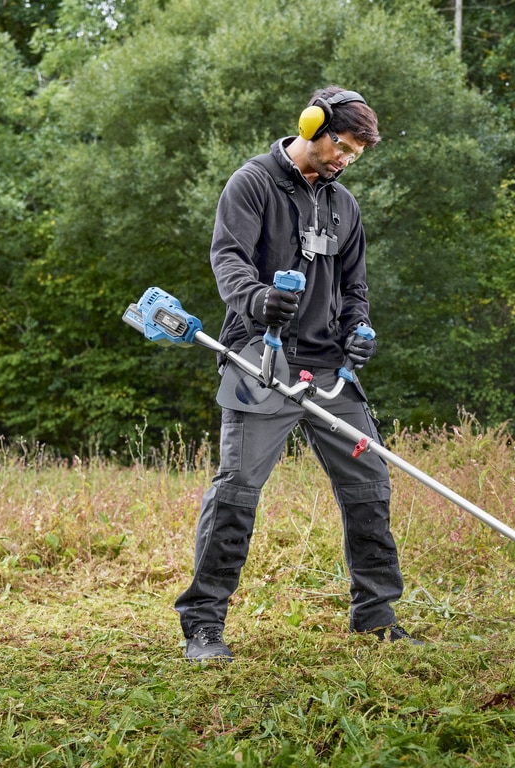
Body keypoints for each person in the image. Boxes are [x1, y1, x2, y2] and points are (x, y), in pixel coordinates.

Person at [175, 86, 420, 661]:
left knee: (370, 486)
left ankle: (375, 615)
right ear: (313, 125)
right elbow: (228, 258)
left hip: (330, 368)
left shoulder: (344, 205)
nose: (345, 158)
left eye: (357, 152)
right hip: (258, 358)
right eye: (342, 144)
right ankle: (204, 625)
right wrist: (257, 301)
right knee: (236, 491)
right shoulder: (253, 182)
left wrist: (360, 332)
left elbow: (355, 287)